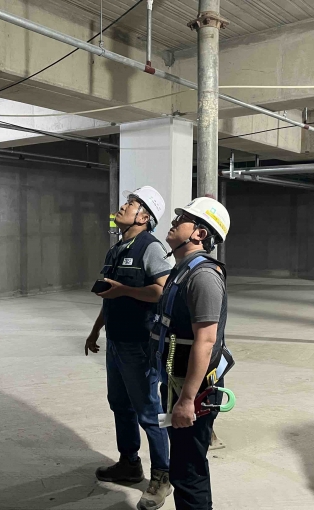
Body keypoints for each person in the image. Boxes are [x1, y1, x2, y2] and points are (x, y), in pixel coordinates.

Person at [86, 186, 173, 510]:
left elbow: (162, 291)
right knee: (120, 405)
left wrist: (124, 290)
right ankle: (129, 464)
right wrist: (96, 330)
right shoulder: (116, 249)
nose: (123, 207)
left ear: (144, 216)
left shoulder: (151, 247)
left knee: (149, 413)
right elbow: (109, 295)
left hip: (139, 344)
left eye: (131, 203)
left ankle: (162, 476)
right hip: (116, 342)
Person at [150, 197, 233, 510]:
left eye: (182, 218)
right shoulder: (182, 270)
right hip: (178, 384)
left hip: (193, 392)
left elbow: (206, 341)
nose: (174, 223)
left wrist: (186, 401)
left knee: (188, 472)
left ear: (200, 233)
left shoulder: (203, 276)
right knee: (183, 465)